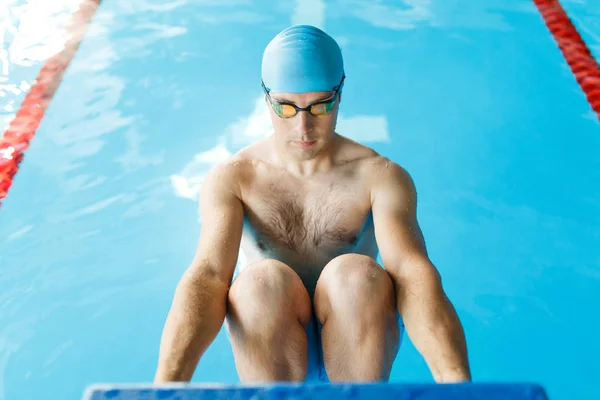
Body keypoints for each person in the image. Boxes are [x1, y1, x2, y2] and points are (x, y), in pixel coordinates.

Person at [153, 25, 471, 384]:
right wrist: (167, 385)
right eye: (286, 108)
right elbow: (208, 277)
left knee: (355, 275)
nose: (303, 128)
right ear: (266, 98)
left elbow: (413, 274)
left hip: (361, 339)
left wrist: (456, 380)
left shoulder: (378, 176)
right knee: (260, 282)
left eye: (320, 106)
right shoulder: (235, 178)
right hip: (270, 345)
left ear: (340, 94)